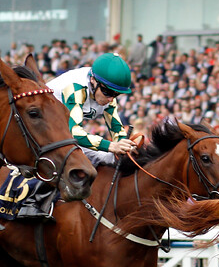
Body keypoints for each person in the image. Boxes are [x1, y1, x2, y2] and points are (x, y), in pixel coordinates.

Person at [17, 53, 138, 221]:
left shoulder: (107, 93)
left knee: (111, 158)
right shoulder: (76, 88)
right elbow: (74, 133)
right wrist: (111, 146)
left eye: (116, 94)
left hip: (60, 131)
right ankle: (31, 201)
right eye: (108, 92)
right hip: (41, 127)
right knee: (70, 157)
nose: (111, 98)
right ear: (94, 81)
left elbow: (116, 129)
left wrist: (124, 144)